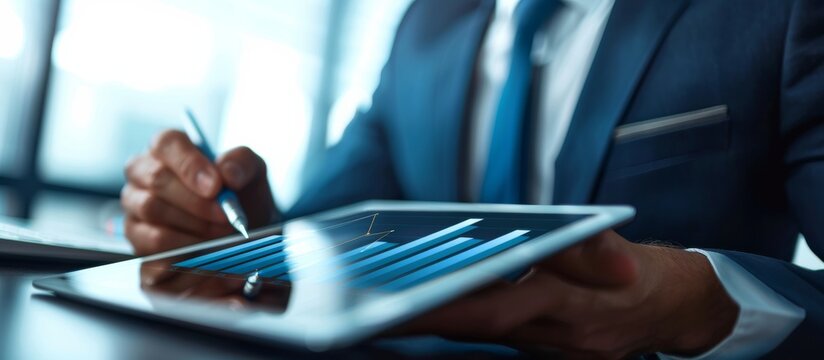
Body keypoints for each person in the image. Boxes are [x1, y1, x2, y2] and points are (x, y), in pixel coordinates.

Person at [121, 0, 824, 358]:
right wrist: (238, 233)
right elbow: (327, 234)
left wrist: (700, 304)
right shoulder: (428, 23)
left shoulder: (776, 14)